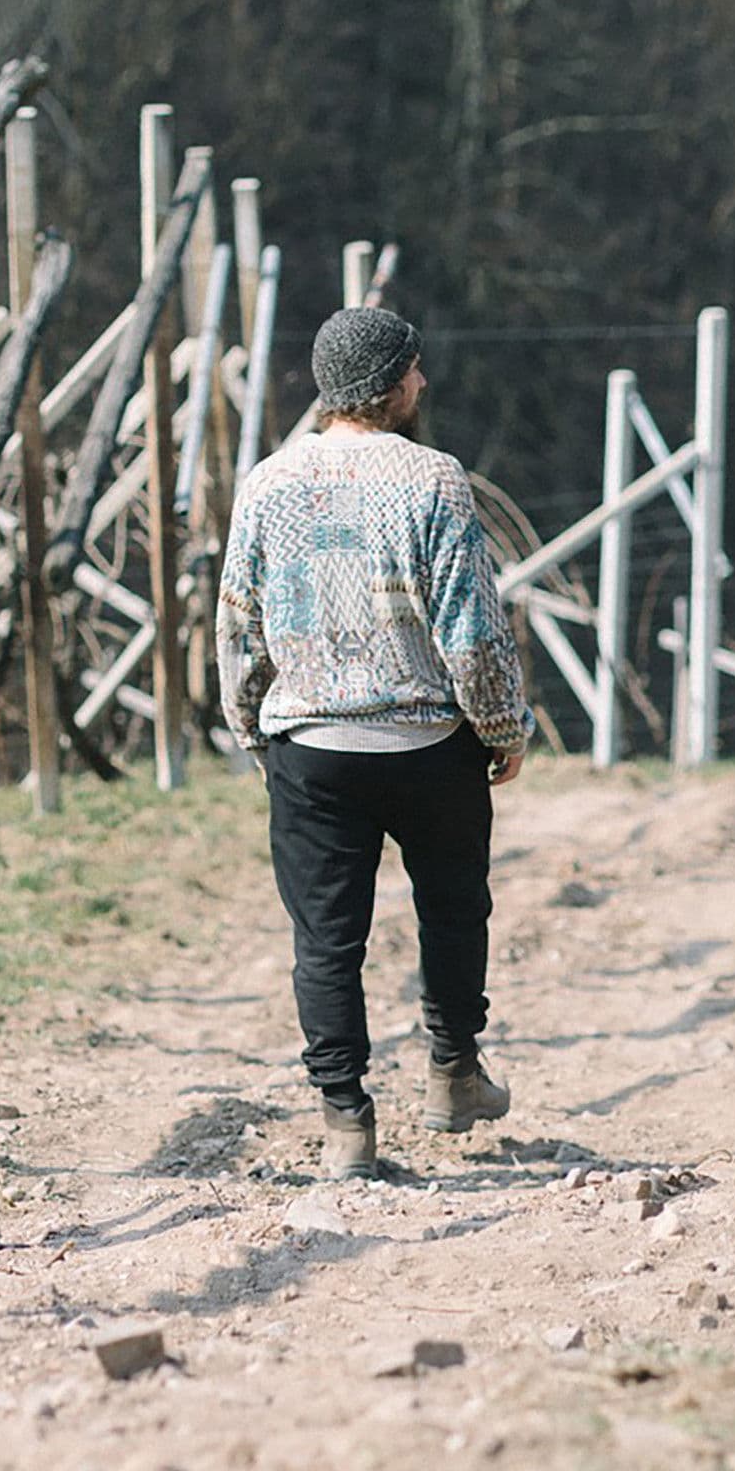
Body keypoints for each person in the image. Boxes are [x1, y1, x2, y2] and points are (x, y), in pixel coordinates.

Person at [216, 305, 530, 1178]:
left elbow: (238, 625)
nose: (422, 382)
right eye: (414, 370)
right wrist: (503, 727)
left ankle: (346, 1123)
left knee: (326, 941)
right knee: (453, 909)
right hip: (429, 744)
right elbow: (470, 628)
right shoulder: (435, 479)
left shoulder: (267, 483)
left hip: (311, 747)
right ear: (390, 387)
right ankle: (454, 1076)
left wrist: (255, 730)